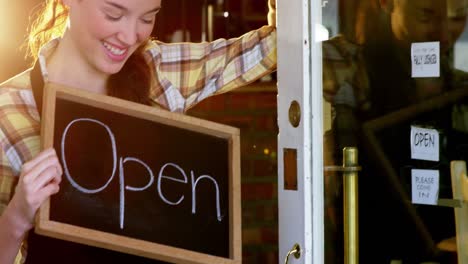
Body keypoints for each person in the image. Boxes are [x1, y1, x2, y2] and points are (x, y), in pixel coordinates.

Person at [0, 0, 277, 263]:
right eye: (113, 14)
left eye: (147, 17)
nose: (130, 36)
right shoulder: (9, 111)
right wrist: (17, 217)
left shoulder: (159, 69)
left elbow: (278, 43)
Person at [322, 0, 468, 262]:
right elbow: (298, 61)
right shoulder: (349, 69)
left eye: (458, 17)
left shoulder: (457, 86)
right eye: (426, 15)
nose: (444, 34)